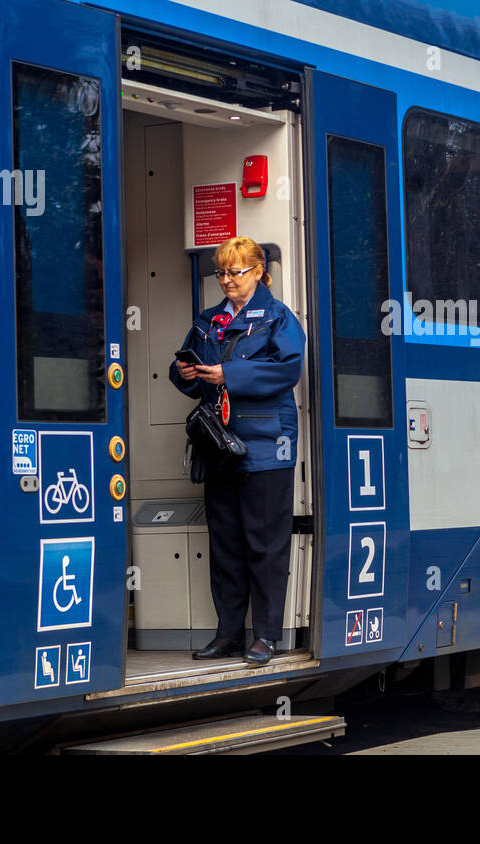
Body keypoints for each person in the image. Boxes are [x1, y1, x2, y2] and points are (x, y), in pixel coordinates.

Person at [169, 236, 305, 665]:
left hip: (265, 445)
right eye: (222, 272)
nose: (227, 280)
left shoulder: (278, 318)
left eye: (236, 272)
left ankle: (266, 636)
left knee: (264, 546)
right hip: (219, 445)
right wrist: (185, 372)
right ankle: (227, 634)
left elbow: (288, 369)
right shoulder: (208, 321)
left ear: (258, 273)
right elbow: (190, 380)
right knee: (225, 544)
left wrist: (228, 372)